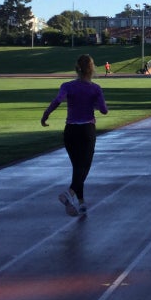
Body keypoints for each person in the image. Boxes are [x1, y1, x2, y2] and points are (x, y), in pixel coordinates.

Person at [41, 54, 108, 217]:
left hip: (70, 131)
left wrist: (46, 114)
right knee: (84, 167)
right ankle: (69, 194)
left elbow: (58, 100)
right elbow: (104, 110)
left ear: (77, 69)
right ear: (91, 69)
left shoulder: (67, 86)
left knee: (77, 167)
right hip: (86, 130)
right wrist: (94, 102)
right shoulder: (95, 88)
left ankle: (82, 202)